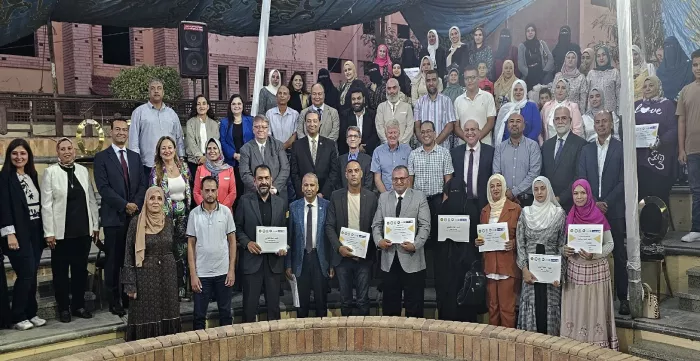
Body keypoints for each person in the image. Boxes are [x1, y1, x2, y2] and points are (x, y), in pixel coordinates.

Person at [41, 138, 100, 322]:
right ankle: (64, 308)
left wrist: (95, 225)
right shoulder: (50, 173)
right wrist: (49, 231)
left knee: (80, 271)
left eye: (69, 148)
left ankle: (78, 306)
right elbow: (46, 205)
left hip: (82, 232)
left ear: (74, 151)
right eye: (62, 149)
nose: (67, 152)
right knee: (60, 273)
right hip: (60, 234)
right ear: (57, 152)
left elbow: (91, 199)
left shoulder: (83, 171)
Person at [94, 119, 148, 316]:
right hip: (114, 218)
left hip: (134, 217)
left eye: (124, 130)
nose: (121, 133)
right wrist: (124, 205)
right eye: (117, 129)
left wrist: (134, 204)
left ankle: (128, 296)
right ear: (111, 132)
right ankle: (114, 300)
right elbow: (104, 188)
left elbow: (143, 185)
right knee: (114, 261)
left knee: (132, 260)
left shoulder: (135, 157)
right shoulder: (101, 158)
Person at [578, 111, 628, 315]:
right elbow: (581, 177)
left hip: (613, 209)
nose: (600, 125)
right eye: (597, 122)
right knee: (590, 253)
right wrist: (593, 203)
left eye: (604, 121)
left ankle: (623, 297)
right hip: (590, 211)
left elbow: (624, 180)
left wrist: (605, 202)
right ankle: (595, 298)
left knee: (619, 254)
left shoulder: (620, 148)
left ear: (611, 123)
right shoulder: (586, 149)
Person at [561, 179, 619, 350]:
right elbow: (565, 244)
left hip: (596, 271)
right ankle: (575, 348)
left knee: (595, 310)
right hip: (575, 271)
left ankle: (596, 348)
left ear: (589, 194)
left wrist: (595, 255)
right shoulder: (570, 216)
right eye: (576, 193)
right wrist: (565, 250)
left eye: (583, 193)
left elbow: (610, 244)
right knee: (577, 309)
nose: (579, 197)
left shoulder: (598, 215)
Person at [122, 186, 181, 341]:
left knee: (168, 312)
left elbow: (174, 249)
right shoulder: (136, 223)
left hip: (167, 275)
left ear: (164, 202)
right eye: (152, 198)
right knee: (146, 315)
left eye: (159, 198)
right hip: (144, 278)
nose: (155, 202)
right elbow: (128, 254)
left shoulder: (168, 222)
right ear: (146, 201)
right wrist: (130, 284)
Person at [372, 166, 431, 318]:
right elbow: (376, 225)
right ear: (391, 180)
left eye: (402, 178)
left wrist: (415, 245)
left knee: (414, 306)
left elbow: (425, 226)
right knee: (390, 306)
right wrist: (379, 241)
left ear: (408, 180)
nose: (398, 182)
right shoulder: (384, 197)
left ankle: (415, 341)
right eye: (395, 179)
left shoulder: (419, 197)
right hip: (389, 259)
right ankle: (391, 341)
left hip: (412, 258)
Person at [0, 139, 46, 330]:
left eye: (23, 153)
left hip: (35, 230)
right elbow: (3, 208)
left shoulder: (31, 175)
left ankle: (31, 312)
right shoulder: (4, 178)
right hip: (17, 233)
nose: (19, 157)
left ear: (28, 156)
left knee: (31, 273)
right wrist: (10, 234)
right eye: (15, 153)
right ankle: (17, 315)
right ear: (9, 156)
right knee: (26, 273)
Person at [235, 165, 289, 323]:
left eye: (266, 178)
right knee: (249, 309)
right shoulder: (245, 201)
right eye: (260, 179)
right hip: (252, 262)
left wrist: (284, 247)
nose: (263, 182)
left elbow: (286, 230)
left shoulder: (281, 202)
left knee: (274, 309)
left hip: (274, 263)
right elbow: (237, 227)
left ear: (271, 180)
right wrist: (247, 243)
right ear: (254, 181)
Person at [326, 160, 378, 316]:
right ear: (345, 174)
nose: (354, 174)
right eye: (350, 171)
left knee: (363, 300)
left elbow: (376, 226)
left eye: (356, 170)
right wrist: (338, 247)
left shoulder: (371, 197)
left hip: (364, 257)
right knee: (345, 300)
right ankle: (346, 339)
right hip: (343, 257)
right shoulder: (336, 196)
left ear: (362, 173)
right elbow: (329, 226)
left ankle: (365, 337)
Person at [516, 176, 566, 335]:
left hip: (551, 275)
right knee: (532, 304)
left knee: (549, 307)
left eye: (542, 188)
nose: (539, 192)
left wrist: (560, 274)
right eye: (536, 189)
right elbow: (520, 243)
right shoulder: (526, 213)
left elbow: (561, 245)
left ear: (549, 189)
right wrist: (524, 269)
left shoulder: (558, 213)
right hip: (530, 272)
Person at [187, 176, 237, 330]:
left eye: (213, 190)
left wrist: (231, 270)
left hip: (223, 272)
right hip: (202, 274)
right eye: (206, 190)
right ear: (201, 191)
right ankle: (198, 351)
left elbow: (232, 242)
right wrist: (193, 275)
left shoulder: (226, 213)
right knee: (199, 316)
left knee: (225, 313)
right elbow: (190, 245)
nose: (210, 193)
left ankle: (226, 349)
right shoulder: (194, 214)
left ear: (217, 191)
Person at [475, 174, 522, 328]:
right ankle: (493, 345)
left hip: (507, 265)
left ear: (504, 187)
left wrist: (514, 243)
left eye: (498, 185)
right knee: (493, 308)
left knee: (507, 309)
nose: (495, 189)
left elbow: (523, 238)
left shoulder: (515, 209)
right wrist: (478, 241)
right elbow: (483, 235)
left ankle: (508, 346)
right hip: (489, 265)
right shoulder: (484, 211)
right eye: (492, 186)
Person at [149, 136, 191, 301]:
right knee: (166, 255)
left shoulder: (183, 167)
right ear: (159, 152)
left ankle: (181, 291)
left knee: (182, 254)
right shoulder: (156, 170)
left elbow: (188, 190)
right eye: (163, 148)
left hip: (183, 218)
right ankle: (167, 292)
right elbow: (153, 194)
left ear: (175, 149)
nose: (167, 151)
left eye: (169, 147)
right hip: (164, 218)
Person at [286, 173, 331, 318]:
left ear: (317, 187)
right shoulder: (294, 207)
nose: (309, 188)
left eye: (312, 185)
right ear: (301, 187)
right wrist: (288, 264)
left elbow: (331, 237)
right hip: (301, 260)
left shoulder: (327, 206)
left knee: (321, 303)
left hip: (320, 259)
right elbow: (290, 238)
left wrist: (332, 264)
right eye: (306, 185)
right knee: (301, 305)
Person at [436, 176, 480, 322]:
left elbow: (476, 234)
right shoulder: (442, 208)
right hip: (447, 260)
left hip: (464, 261)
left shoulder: (471, 208)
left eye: (457, 191)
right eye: (452, 191)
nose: (455, 194)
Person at [635, 76, 677, 219]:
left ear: (658, 87)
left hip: (659, 159)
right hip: (639, 159)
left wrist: (661, 141)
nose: (647, 88)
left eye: (651, 85)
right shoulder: (636, 105)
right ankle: (644, 231)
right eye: (645, 86)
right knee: (642, 195)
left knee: (658, 193)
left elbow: (673, 129)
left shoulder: (667, 105)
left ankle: (659, 230)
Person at [409, 120, 454, 243]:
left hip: (438, 200)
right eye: (422, 132)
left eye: (428, 131)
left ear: (434, 133)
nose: (425, 134)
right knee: (420, 237)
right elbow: (410, 181)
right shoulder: (413, 154)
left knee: (438, 238)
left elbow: (448, 180)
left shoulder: (444, 153)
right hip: (419, 201)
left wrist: (445, 201)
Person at [129, 79, 185, 173]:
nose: (156, 91)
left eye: (159, 88)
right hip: (148, 165)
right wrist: (136, 162)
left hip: (170, 164)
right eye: (152, 88)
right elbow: (133, 140)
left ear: (163, 92)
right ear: (149, 92)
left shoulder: (172, 114)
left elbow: (179, 137)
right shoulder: (139, 112)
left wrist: (181, 157)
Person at [541, 107, 587, 212]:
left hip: (571, 205)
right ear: (553, 122)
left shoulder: (581, 144)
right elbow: (542, 173)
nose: (560, 121)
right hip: (549, 204)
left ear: (570, 121)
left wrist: (561, 198)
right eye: (557, 119)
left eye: (564, 118)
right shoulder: (547, 145)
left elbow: (579, 176)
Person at [493, 114, 542, 207]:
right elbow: (496, 173)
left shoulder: (533, 146)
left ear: (524, 126)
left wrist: (514, 192)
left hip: (527, 201)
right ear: (507, 125)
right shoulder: (500, 148)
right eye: (511, 121)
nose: (514, 124)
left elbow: (534, 173)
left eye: (518, 121)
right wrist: (507, 191)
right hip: (505, 200)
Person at [239, 115, 290, 201]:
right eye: (257, 127)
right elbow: (245, 174)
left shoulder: (278, 145)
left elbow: (285, 169)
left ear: (268, 129)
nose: (260, 129)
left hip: (276, 193)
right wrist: (261, 189)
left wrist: (274, 188)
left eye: (264, 127)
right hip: (254, 194)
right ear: (253, 129)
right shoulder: (245, 149)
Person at [291, 109, 340, 199]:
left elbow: (334, 171)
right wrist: (303, 193)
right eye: (309, 121)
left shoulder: (330, 145)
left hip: (325, 197)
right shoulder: (297, 145)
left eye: (315, 121)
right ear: (305, 123)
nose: (312, 124)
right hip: (303, 197)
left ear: (320, 123)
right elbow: (294, 173)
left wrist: (323, 193)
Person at [678, 49, 700, 243]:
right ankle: (696, 228)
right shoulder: (686, 90)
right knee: (696, 189)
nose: (698, 68)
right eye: (695, 64)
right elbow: (682, 121)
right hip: (692, 149)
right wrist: (681, 149)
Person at [451, 119, 495, 211]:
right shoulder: (455, 153)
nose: (469, 133)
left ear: (479, 132)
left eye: (473, 129)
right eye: (466, 130)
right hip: (461, 204)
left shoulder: (490, 152)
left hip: (484, 203)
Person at [220, 94, 254, 208]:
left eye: (239, 103)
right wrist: (234, 155)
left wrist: (245, 155)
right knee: (235, 192)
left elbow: (254, 139)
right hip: (232, 163)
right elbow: (223, 141)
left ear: (243, 106)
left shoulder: (250, 120)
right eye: (234, 104)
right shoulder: (224, 123)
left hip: (248, 161)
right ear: (230, 106)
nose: (236, 106)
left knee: (248, 191)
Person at [414, 70, 461, 148]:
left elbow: (450, 126)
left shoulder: (446, 101)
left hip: (442, 148)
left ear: (438, 82)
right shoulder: (419, 102)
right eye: (428, 80)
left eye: (434, 80)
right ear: (425, 83)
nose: (431, 83)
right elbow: (417, 127)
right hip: (423, 150)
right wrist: (426, 144)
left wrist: (434, 144)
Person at [454, 65, 497, 146]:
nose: (470, 80)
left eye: (473, 77)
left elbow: (491, 122)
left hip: (484, 145)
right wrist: (468, 139)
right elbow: (456, 127)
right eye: (467, 78)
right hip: (465, 146)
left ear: (478, 78)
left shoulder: (488, 97)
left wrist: (476, 138)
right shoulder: (458, 100)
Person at [185, 94, 220, 191]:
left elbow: (215, 142)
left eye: (204, 103)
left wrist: (207, 158)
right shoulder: (190, 123)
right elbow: (191, 142)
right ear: (195, 107)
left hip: (211, 161)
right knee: (196, 189)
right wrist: (200, 157)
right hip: (195, 161)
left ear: (208, 106)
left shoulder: (214, 124)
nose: (201, 106)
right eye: (198, 104)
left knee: (209, 188)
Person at [193, 138, 237, 208]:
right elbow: (196, 192)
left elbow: (233, 193)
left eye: (215, 148)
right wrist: (206, 207)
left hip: (224, 212)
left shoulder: (229, 169)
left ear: (220, 151)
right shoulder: (200, 169)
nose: (212, 151)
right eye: (209, 148)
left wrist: (221, 209)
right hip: (204, 211)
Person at [371, 120, 412, 193]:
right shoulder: (378, 152)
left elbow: (411, 176)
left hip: (404, 194)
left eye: (395, 132)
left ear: (399, 134)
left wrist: (405, 196)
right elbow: (377, 178)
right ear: (386, 134)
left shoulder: (408, 150)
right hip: (385, 193)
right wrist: (386, 197)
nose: (393, 136)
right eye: (390, 133)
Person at [338, 87, 379, 156]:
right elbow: (343, 135)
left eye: (359, 98)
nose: (356, 101)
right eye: (353, 99)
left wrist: (365, 147)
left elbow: (375, 134)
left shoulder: (373, 114)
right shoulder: (344, 115)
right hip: (349, 153)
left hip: (369, 154)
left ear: (364, 99)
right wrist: (355, 146)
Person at [377, 78, 415, 145]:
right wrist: (388, 143)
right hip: (385, 147)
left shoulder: (407, 107)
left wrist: (400, 144)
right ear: (386, 90)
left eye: (394, 88)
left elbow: (410, 128)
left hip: (403, 147)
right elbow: (379, 128)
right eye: (389, 88)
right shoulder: (381, 107)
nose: (392, 91)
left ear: (399, 89)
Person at [518, 24, 554, 90]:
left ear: (535, 32)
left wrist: (544, 71)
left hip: (541, 76)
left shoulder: (542, 44)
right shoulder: (522, 46)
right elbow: (521, 65)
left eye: (532, 30)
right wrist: (529, 74)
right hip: (528, 77)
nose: (530, 32)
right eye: (528, 31)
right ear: (525, 33)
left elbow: (550, 58)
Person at [657, 36, 694, 102]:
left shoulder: (688, 66)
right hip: (666, 107)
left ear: (678, 48)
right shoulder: (660, 71)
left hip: (687, 104)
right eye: (666, 47)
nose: (669, 49)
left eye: (672, 46)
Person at [586, 46, 621, 113]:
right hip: (594, 114)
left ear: (608, 56)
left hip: (611, 113)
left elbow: (618, 95)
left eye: (603, 55)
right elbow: (588, 96)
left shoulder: (614, 72)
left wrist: (618, 114)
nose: (601, 58)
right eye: (598, 56)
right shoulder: (591, 73)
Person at [339, 126, 374, 191]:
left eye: (355, 136)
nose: (352, 139)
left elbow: (369, 183)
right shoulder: (340, 160)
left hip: (363, 197)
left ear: (360, 140)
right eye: (350, 136)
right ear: (347, 140)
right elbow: (337, 182)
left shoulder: (368, 159)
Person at [266, 85, 299, 151]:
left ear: (289, 97)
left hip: (291, 152)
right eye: (280, 93)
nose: (282, 96)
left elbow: (295, 135)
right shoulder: (269, 113)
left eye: (285, 93)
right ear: (276, 96)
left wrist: (283, 147)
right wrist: (277, 149)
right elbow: (268, 135)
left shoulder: (295, 114)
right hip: (274, 151)